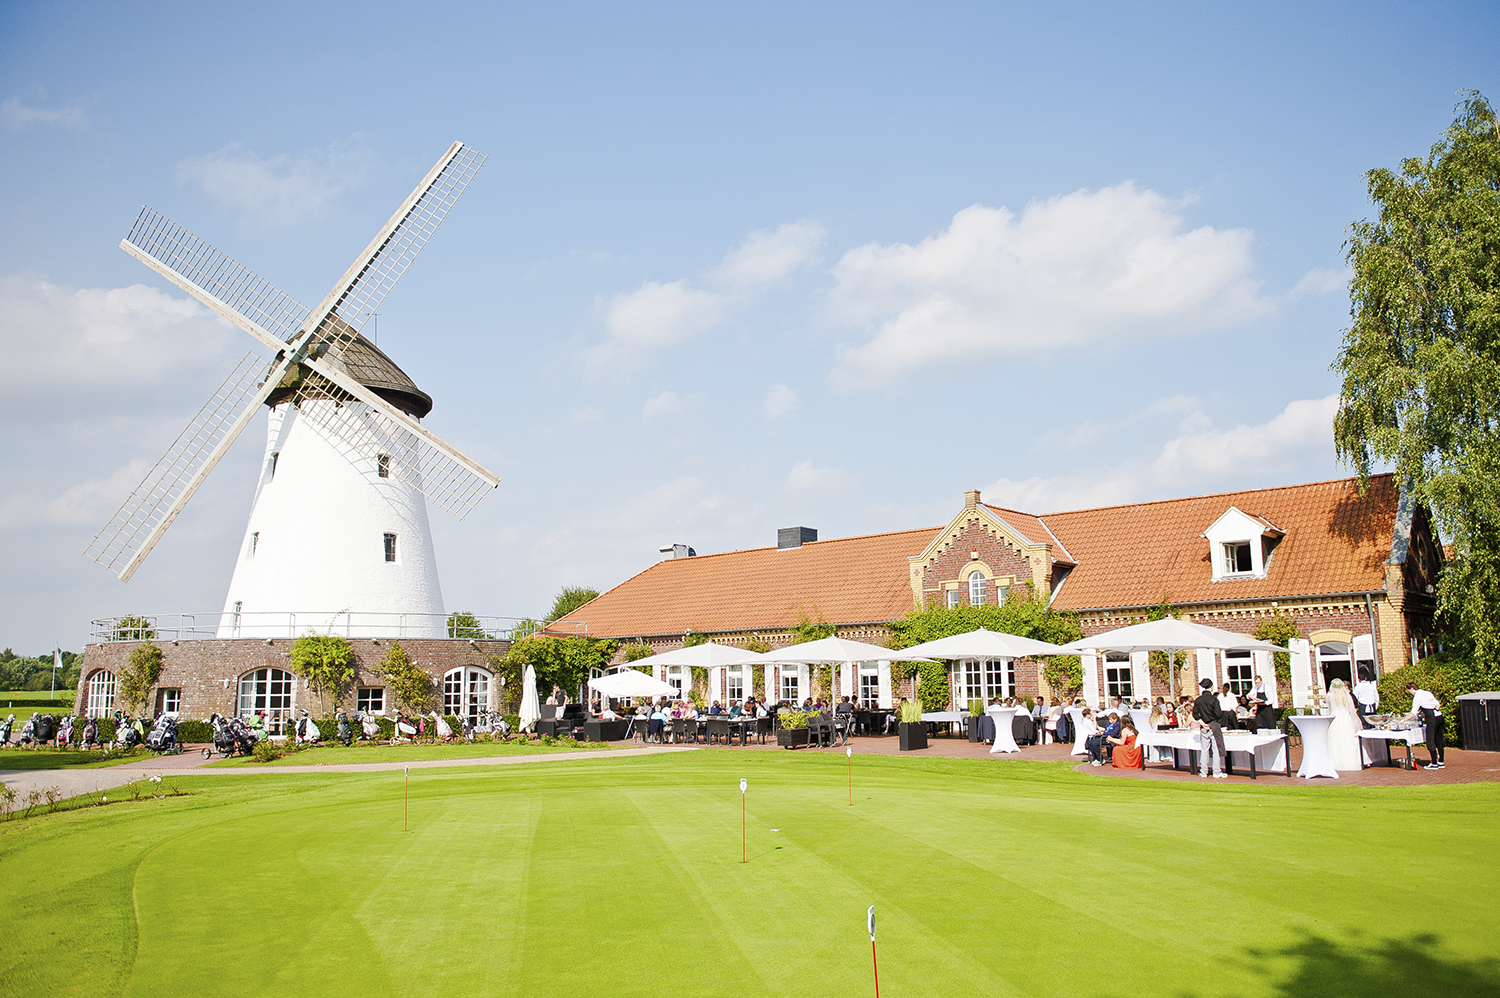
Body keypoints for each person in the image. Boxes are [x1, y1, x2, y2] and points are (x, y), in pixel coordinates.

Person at [1193, 678, 1227, 779]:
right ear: (1211, 687)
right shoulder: (1214, 700)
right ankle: (1216, 771)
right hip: (1213, 725)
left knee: (1204, 749)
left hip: (1204, 726)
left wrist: (1202, 723)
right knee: (1216, 749)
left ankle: (1203, 771)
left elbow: (1195, 714)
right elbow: (1218, 714)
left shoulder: (1198, 700)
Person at [1406, 681, 1445, 769]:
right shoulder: (1427, 693)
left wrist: (1402, 720)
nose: (1410, 693)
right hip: (1439, 715)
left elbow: (1413, 712)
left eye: (1409, 692)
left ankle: (1434, 763)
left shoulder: (1417, 696)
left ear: (1412, 689)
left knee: (1430, 739)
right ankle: (1441, 761)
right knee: (1439, 738)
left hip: (1431, 717)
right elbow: (1438, 705)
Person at [1327, 678, 1362, 771]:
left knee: (1334, 739)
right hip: (1345, 717)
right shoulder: (1347, 696)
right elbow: (1352, 710)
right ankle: (1348, 762)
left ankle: (1335, 762)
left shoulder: (1330, 696)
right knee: (1346, 739)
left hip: (1335, 716)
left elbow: (1329, 708)